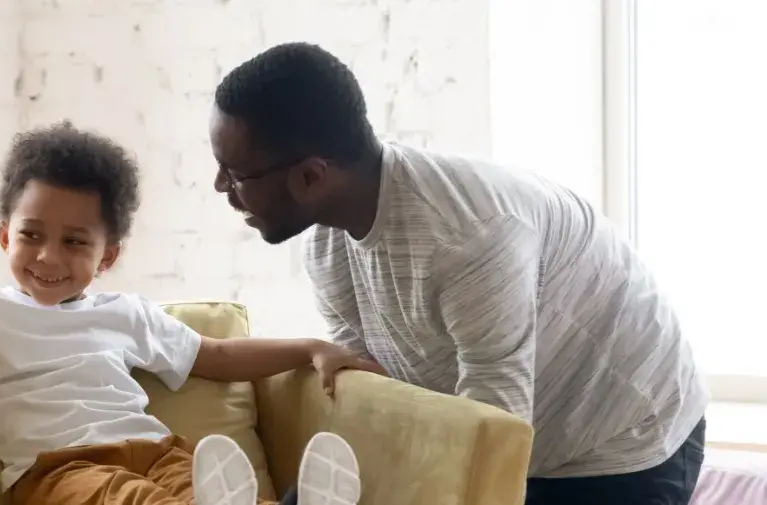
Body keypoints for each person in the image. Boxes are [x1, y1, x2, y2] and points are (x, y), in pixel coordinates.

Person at [0, 122, 380, 505]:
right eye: (31, 235)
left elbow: (213, 356)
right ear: (6, 236)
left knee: (196, 481)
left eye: (75, 242)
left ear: (108, 256)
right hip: (58, 472)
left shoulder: (125, 314)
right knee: (125, 500)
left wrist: (309, 348)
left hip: (158, 449)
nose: (48, 256)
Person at [207, 42, 708, 505]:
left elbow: (493, 439)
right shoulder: (326, 247)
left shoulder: (468, 238)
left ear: (311, 176)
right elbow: (378, 393)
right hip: (521, 428)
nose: (219, 187)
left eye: (235, 174)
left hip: (622, 441)